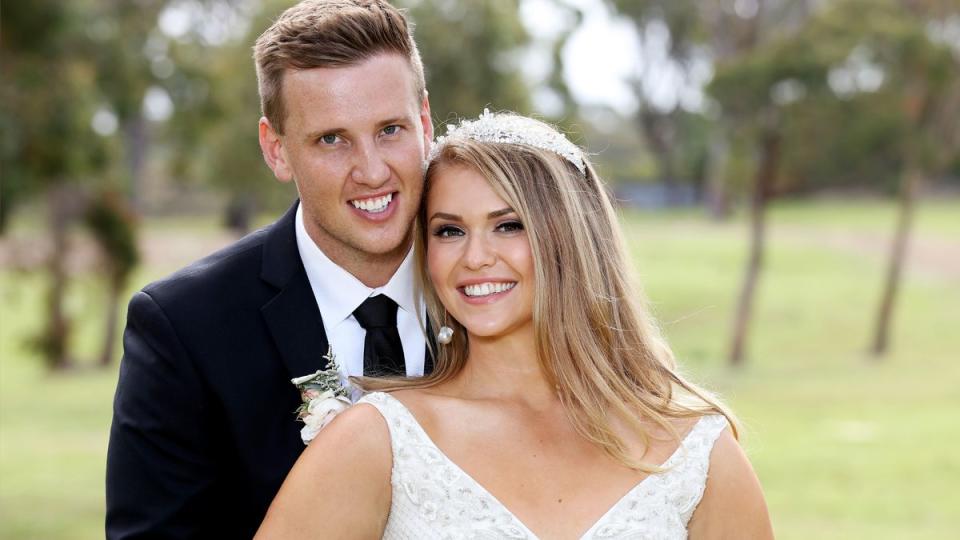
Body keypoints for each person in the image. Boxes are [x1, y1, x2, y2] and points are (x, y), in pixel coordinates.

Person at [256, 111, 775, 539]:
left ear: (569, 237)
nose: (475, 258)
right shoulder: (379, 439)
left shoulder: (694, 451)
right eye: (450, 230)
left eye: (508, 225)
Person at [105, 1, 433, 537]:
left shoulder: (495, 291)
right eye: (332, 139)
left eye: (391, 129)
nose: (372, 171)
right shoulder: (183, 328)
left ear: (424, 121)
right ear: (276, 150)